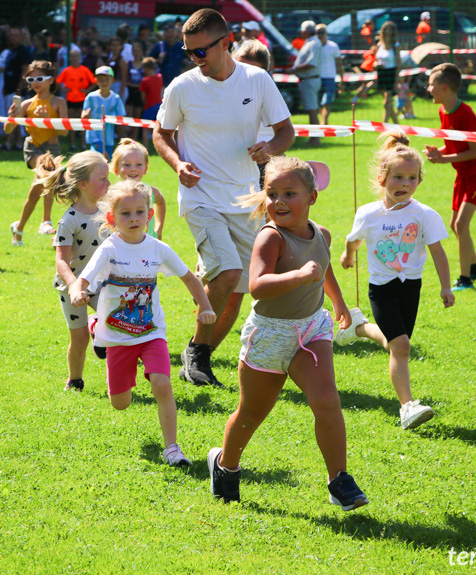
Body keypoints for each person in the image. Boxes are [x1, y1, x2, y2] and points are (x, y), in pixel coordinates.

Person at [207, 156, 368, 510]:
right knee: (251, 414)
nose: (278, 202)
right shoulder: (270, 238)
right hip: (270, 335)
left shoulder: (320, 234)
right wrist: (298, 276)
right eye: (272, 193)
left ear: (312, 197)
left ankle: (338, 479)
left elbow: (322, 269)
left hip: (312, 328)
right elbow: (258, 285)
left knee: (327, 400)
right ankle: (225, 465)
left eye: (289, 193)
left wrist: (338, 302)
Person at [153, 8, 295, 388]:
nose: (195, 59)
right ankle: (197, 355)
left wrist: (270, 149)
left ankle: (197, 357)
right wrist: (177, 163)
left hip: (247, 198)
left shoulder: (257, 80)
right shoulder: (182, 86)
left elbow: (286, 131)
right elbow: (161, 135)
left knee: (238, 291)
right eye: (189, 52)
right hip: (200, 197)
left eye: (201, 51)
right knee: (229, 273)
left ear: (226, 42)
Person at [69, 180, 216, 466]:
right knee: (120, 403)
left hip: (151, 332)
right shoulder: (109, 250)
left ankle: (172, 448)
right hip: (116, 336)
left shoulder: (157, 248)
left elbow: (189, 277)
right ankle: (96, 324)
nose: (134, 218)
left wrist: (205, 306)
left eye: (140, 212)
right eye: (125, 213)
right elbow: (83, 279)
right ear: (112, 219)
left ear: (149, 215)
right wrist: (78, 291)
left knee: (162, 384)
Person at [337, 131, 454, 430]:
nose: (405, 184)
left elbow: (438, 251)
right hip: (381, 288)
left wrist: (445, 286)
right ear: (382, 178)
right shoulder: (368, 214)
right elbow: (353, 240)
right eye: (398, 177)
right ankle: (407, 407)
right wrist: (348, 255)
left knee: (395, 345)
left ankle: (359, 327)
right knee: (401, 346)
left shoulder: (424, 214)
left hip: (410, 287)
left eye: (412, 178)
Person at [424, 63, 476, 292]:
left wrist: (444, 159)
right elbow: (453, 143)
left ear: (444, 88)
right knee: (455, 225)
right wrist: (439, 152)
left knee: (461, 224)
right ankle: (475, 267)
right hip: (463, 172)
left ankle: (465, 279)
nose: (428, 89)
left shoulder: (466, 113)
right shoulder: (443, 110)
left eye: (431, 84)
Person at [44, 151, 110, 391]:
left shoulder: (109, 211)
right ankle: (75, 380)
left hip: (102, 284)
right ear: (83, 184)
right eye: (102, 178)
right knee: (79, 338)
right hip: (72, 286)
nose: (108, 183)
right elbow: (60, 260)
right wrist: (74, 284)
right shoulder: (69, 220)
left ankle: (98, 329)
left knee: (117, 320)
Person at [6, 60, 67, 244]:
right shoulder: (26, 104)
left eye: (39, 78)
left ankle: (19, 228)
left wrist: (48, 119)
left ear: (50, 80)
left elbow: (64, 131)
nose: (35, 82)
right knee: (47, 168)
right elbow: (8, 130)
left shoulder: (58, 102)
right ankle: (45, 221)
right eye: (31, 79)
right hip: (33, 148)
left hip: (53, 148)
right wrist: (12, 116)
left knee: (35, 192)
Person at [231, 40, 273, 189]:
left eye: (251, 71)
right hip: (225, 168)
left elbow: (286, 132)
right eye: (240, 67)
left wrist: (272, 149)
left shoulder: (268, 92)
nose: (244, 74)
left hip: (264, 166)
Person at [109, 139, 166, 239]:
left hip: (148, 246)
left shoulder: (151, 192)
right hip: (121, 247)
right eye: (127, 165)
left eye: (138, 164)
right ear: (116, 169)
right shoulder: (111, 194)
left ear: (146, 168)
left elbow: (161, 202)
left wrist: (159, 228)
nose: (133, 168)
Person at [82, 65, 124, 158]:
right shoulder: (91, 97)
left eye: (106, 79)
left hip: (108, 137)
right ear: (96, 80)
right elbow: (84, 114)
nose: (104, 82)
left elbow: (121, 119)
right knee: (99, 158)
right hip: (94, 136)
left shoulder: (116, 98)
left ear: (112, 80)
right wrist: (85, 116)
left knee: (107, 162)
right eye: (100, 79)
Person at [56, 48, 95, 151]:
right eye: (72, 56)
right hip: (71, 99)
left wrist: (87, 90)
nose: (74, 58)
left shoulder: (84, 70)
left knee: (83, 122)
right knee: (72, 123)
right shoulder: (67, 70)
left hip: (82, 100)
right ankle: (72, 144)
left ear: (80, 57)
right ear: (69, 58)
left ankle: (83, 144)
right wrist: (64, 89)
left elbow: (94, 81)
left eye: (76, 56)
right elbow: (58, 81)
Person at [292, 21, 322, 146]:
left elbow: (311, 63)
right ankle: (313, 138)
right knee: (311, 110)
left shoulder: (314, 43)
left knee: (312, 110)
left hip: (310, 79)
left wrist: (295, 68)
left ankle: (315, 139)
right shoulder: (310, 42)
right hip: (308, 80)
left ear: (305, 31)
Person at [2, 27, 32, 150]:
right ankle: (16, 142)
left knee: (16, 117)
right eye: (11, 35)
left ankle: (15, 143)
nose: (13, 37)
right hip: (9, 90)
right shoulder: (10, 51)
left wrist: (19, 90)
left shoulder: (23, 51)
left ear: (21, 37)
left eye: (16, 35)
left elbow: (25, 72)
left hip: (17, 92)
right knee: (12, 116)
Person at [315, 23, 343, 126]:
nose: (320, 35)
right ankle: (321, 121)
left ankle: (324, 122)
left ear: (326, 33)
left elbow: (339, 63)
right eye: (317, 32)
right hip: (316, 77)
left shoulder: (333, 46)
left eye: (322, 32)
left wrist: (342, 79)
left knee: (326, 101)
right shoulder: (313, 46)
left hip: (330, 78)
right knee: (318, 103)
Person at [375, 21, 401, 124]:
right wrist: (376, 64)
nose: (388, 32)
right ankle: (397, 126)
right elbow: (376, 60)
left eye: (390, 30)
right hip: (381, 73)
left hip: (391, 74)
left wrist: (397, 79)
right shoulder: (379, 44)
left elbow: (399, 63)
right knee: (388, 104)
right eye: (386, 29)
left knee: (386, 103)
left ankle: (384, 126)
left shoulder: (396, 45)